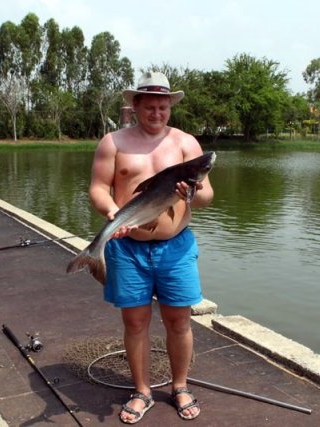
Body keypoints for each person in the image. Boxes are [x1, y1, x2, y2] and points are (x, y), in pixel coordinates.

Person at [88, 71, 214, 423]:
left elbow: (206, 197)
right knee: (136, 323)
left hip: (176, 247)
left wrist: (193, 193)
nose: (157, 113)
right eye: (150, 107)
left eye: (163, 107)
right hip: (127, 247)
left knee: (179, 322)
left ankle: (179, 386)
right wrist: (113, 212)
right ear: (135, 105)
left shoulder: (187, 144)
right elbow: (98, 187)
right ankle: (142, 390)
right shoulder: (113, 142)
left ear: (170, 106)